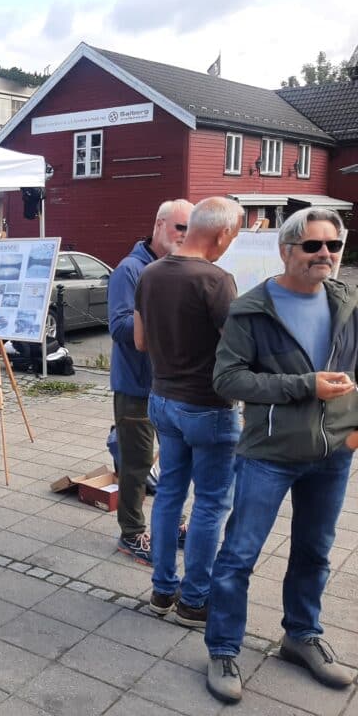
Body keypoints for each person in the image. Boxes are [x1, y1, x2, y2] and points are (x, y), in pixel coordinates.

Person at [204, 208, 358, 704]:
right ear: (286, 250)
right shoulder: (252, 310)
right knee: (239, 556)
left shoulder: (348, 303)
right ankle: (224, 648)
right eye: (313, 246)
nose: (325, 256)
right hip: (268, 454)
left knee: (315, 552)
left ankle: (301, 635)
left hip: (333, 453)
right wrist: (304, 386)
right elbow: (227, 380)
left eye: (333, 246)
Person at [133, 196, 243, 627]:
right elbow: (236, 350)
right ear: (222, 234)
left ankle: (162, 592)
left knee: (169, 497)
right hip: (208, 406)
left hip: (162, 400)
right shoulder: (217, 281)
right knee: (211, 504)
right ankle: (195, 601)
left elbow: (141, 342)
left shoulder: (150, 273)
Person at [109, 199, 193, 564]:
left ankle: (169, 524)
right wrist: (164, 323)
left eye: (190, 230)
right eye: (179, 228)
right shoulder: (130, 270)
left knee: (174, 461)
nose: (184, 236)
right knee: (137, 463)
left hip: (172, 385)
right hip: (136, 386)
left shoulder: (179, 268)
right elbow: (119, 326)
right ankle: (131, 533)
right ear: (159, 225)